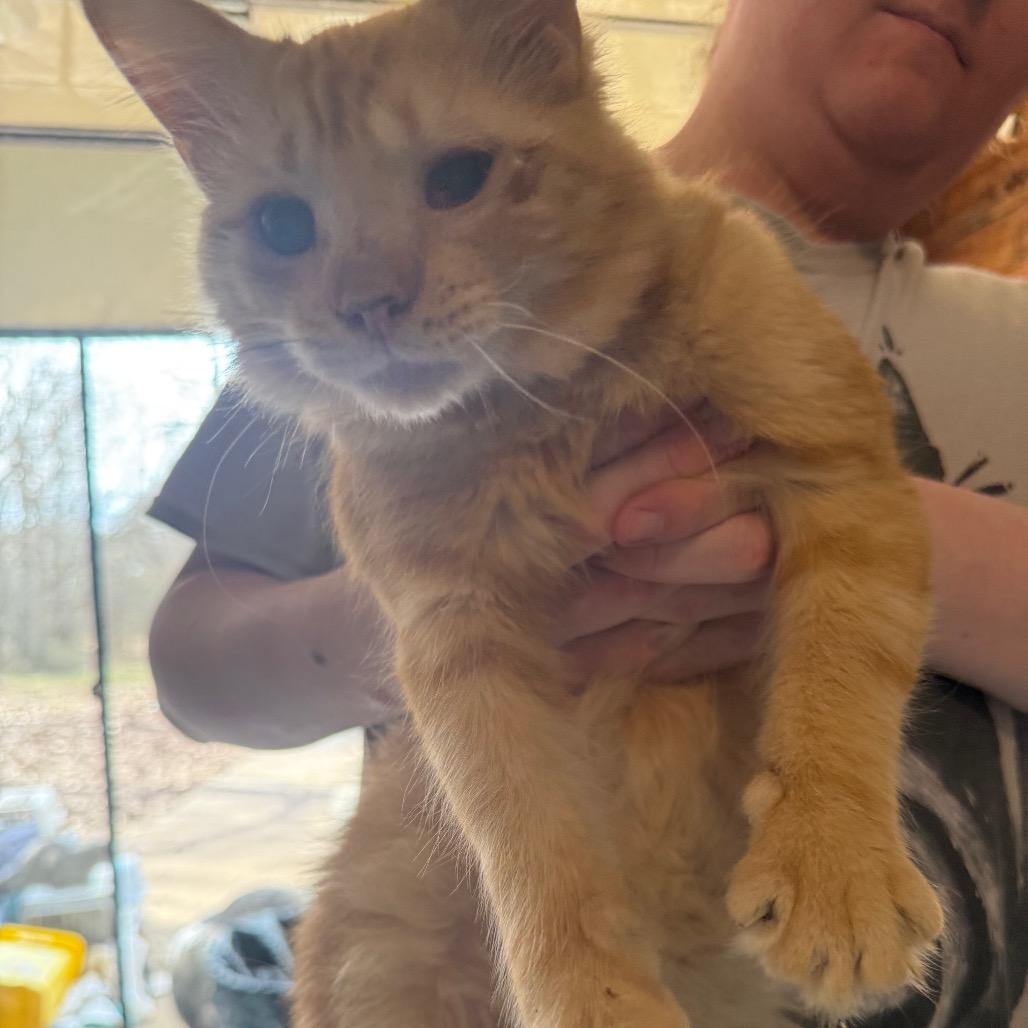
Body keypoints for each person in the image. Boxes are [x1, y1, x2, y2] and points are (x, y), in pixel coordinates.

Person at [148, 1, 1028, 1023]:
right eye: (288, 226)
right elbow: (189, 667)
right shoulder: (325, 360)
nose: (368, 295)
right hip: (472, 956)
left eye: (451, 178)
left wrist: (858, 529)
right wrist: (442, 619)